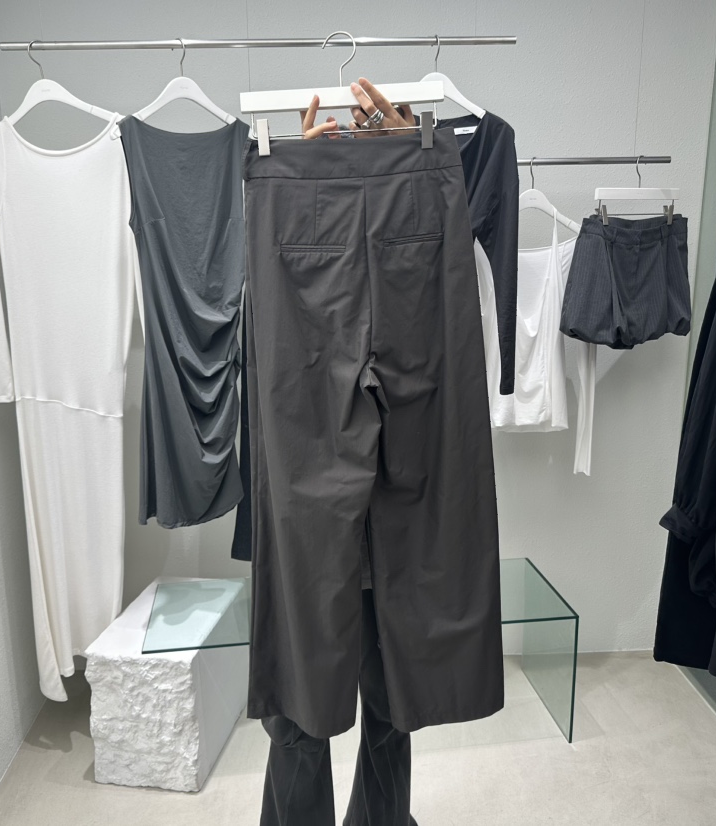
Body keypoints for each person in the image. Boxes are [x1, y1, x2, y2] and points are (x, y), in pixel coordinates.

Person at [258, 78, 420, 826]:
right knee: (301, 702)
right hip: (309, 510)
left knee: (390, 697)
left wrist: (407, 164)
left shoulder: (418, 215)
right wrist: (298, 187)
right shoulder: (277, 220)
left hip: (392, 507)